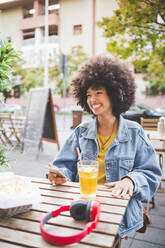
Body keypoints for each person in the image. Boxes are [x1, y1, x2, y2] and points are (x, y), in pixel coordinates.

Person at [48, 56, 162, 239]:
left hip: (116, 215)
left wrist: (131, 181)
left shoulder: (134, 133)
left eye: (98, 92)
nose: (93, 99)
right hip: (82, 210)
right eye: (88, 95)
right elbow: (64, 166)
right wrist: (60, 175)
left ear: (115, 92)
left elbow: (151, 173)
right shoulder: (80, 132)